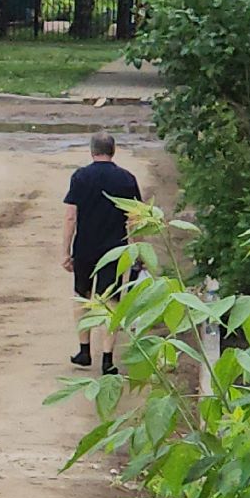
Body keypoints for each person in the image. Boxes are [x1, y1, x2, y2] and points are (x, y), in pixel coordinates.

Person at [63, 132, 141, 375]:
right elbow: (135, 219)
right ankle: (107, 359)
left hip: (85, 247)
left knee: (83, 296)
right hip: (115, 248)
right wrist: (137, 250)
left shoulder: (80, 177)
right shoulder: (126, 179)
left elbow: (70, 217)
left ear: (91, 151)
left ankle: (84, 350)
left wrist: (65, 252)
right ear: (113, 150)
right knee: (111, 301)